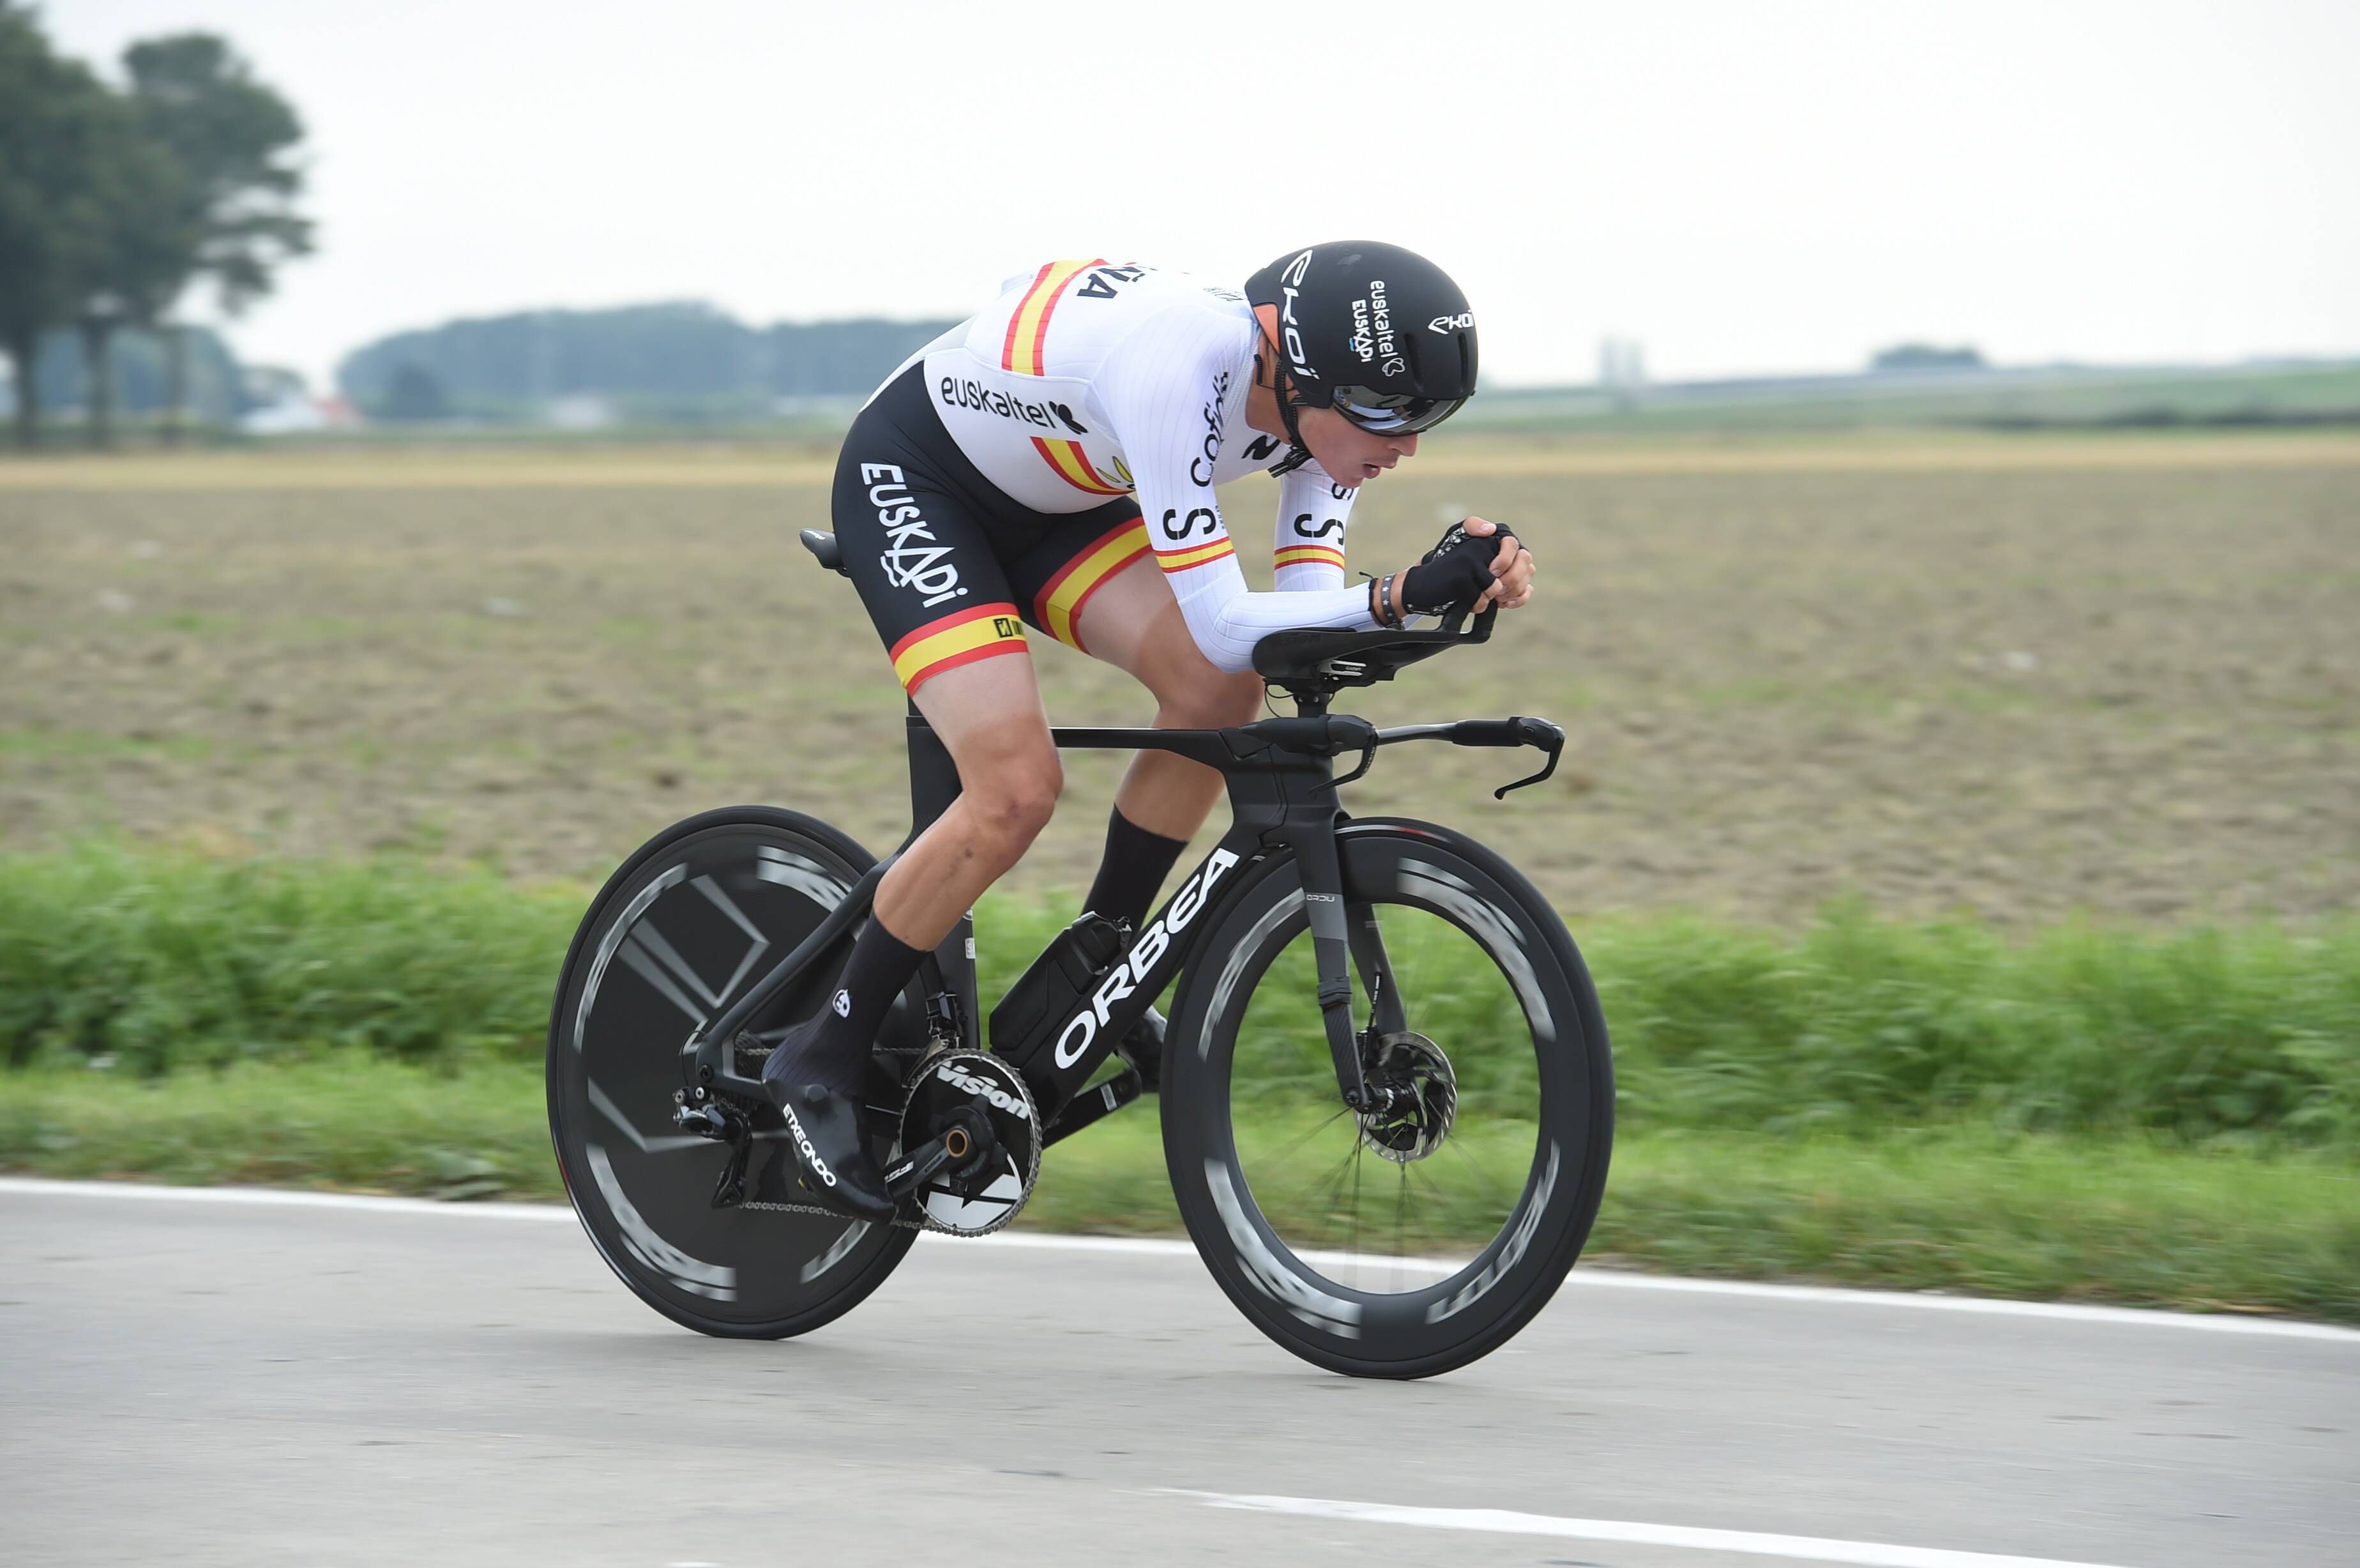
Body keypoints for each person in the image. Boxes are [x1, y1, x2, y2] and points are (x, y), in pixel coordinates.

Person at [766, 242, 1538, 1218]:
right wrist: (1395, 596)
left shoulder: (1315, 411)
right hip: (921, 480)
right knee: (1014, 791)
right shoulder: (1181, 370)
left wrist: (1437, 594)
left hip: (1061, 504)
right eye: (1388, 417)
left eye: (1428, 420)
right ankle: (821, 1051)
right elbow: (1227, 619)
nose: (1409, 448)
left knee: (1219, 693)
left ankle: (1102, 959)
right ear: (1292, 369)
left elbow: (1296, 618)